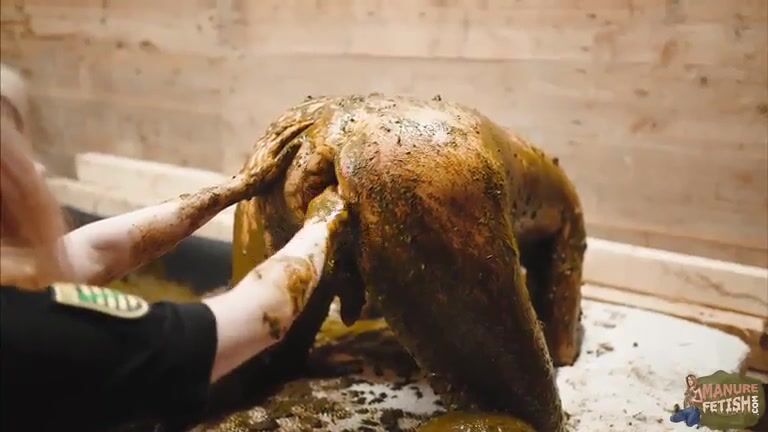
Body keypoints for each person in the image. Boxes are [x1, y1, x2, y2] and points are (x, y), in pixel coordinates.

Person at [0, 65, 348, 431]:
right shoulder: (42, 331)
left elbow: (93, 252)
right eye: (17, 159)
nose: (39, 168)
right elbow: (259, 315)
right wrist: (328, 216)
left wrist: (233, 188)